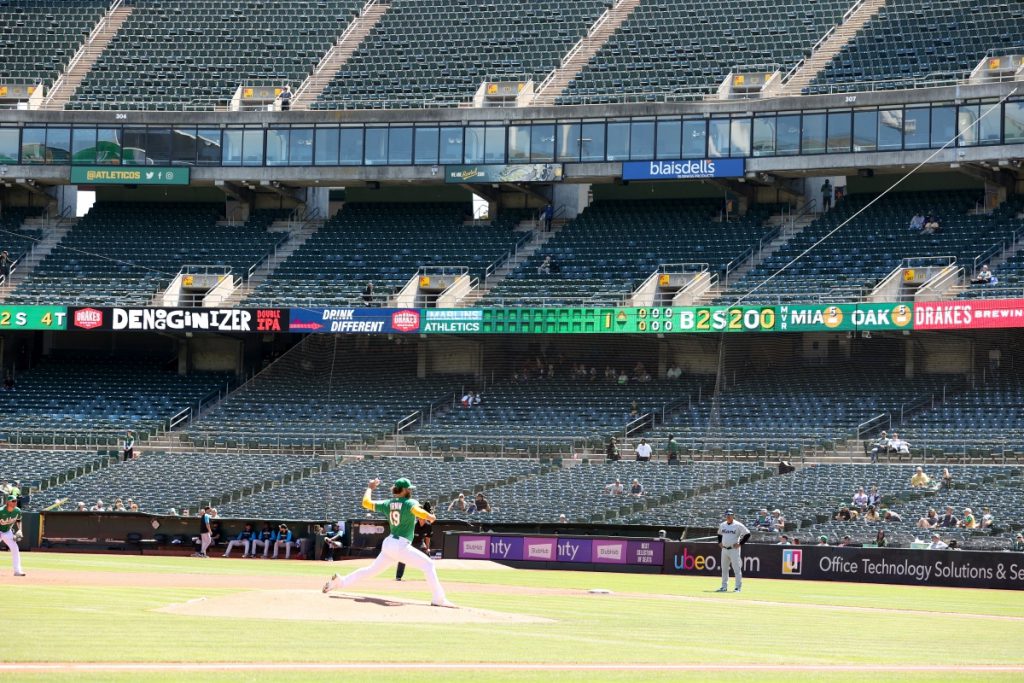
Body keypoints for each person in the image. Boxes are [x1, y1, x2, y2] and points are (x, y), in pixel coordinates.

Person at [322, 478, 452, 607]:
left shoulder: (388, 503)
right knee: (428, 565)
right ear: (404, 490)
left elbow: (366, 503)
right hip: (400, 545)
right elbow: (417, 511)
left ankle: (340, 582)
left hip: (389, 543)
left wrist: (370, 488)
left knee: (370, 571)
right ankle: (438, 599)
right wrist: (429, 516)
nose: (410, 490)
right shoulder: (410, 502)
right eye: (409, 489)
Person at [397, 502, 433, 581]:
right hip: (409, 542)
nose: (420, 518)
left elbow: (427, 537)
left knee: (427, 555)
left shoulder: (428, 526)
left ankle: (430, 576)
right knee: (402, 557)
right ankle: (398, 577)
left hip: (419, 542)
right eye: (419, 517)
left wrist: (427, 548)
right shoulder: (413, 525)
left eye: (422, 517)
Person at [715, 510, 750, 593]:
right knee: (724, 569)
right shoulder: (723, 525)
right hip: (724, 549)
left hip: (734, 549)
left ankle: (738, 587)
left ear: (733, 515)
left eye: (730, 514)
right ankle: (724, 587)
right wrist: (719, 542)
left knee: (736, 569)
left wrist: (740, 543)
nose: (728, 516)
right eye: (727, 514)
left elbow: (747, 534)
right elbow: (719, 534)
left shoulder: (738, 525)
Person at [0, 495, 25, 576]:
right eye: (13, 501)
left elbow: (19, 520)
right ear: (8, 502)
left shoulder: (17, 511)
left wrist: (20, 529)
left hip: (7, 532)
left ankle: (17, 571)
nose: (15, 502)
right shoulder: (1, 511)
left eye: (16, 501)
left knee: (15, 548)